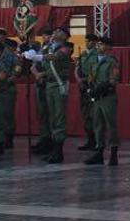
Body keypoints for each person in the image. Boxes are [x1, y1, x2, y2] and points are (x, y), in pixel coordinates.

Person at [85, 35, 120, 166]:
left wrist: (101, 87)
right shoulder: (94, 61)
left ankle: (113, 153)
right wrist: (90, 87)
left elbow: (113, 79)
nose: (98, 46)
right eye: (98, 44)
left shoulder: (112, 62)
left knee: (111, 125)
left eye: (102, 44)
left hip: (107, 96)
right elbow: (90, 77)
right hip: (97, 97)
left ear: (108, 47)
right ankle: (99, 152)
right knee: (97, 125)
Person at [42, 36, 74, 165]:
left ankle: (59, 151)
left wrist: (39, 56)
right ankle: (53, 149)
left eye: (59, 31)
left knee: (59, 117)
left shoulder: (65, 49)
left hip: (59, 85)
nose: (55, 33)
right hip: (49, 84)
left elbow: (54, 57)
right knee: (52, 117)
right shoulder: (49, 47)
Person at [76, 33, 99, 151]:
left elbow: (95, 72)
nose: (87, 43)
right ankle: (89, 139)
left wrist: (84, 80)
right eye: (86, 41)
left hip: (92, 85)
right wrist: (78, 79)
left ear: (94, 42)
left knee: (94, 114)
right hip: (83, 86)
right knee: (85, 114)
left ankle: (97, 140)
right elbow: (77, 68)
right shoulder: (83, 54)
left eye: (89, 41)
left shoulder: (97, 55)